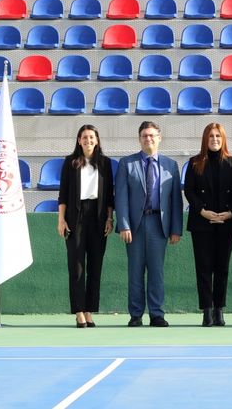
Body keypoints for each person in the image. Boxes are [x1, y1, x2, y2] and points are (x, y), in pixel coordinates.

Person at [114, 121, 183, 328]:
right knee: (135, 271)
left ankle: (156, 314)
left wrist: (175, 229)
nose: (148, 139)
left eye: (152, 135)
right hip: (135, 224)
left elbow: (175, 201)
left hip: (159, 224)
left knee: (156, 271)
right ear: (139, 139)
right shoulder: (127, 163)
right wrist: (124, 224)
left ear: (159, 137)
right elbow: (121, 197)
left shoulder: (171, 165)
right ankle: (135, 315)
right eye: (144, 135)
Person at [57, 125, 114, 328]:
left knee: (95, 267)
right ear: (79, 141)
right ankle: (79, 311)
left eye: (92, 137)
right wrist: (61, 220)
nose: (88, 140)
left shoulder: (105, 163)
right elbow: (63, 193)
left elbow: (109, 196)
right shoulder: (70, 162)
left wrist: (109, 219)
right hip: (75, 217)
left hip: (98, 218)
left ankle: (90, 310)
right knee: (77, 267)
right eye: (84, 137)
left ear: (97, 140)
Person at [184, 122, 232, 327]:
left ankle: (219, 310)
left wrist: (230, 213)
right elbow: (189, 190)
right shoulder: (194, 163)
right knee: (204, 268)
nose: (214, 140)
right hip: (202, 223)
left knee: (222, 268)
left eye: (218, 136)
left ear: (223, 139)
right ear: (205, 139)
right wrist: (202, 211)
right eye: (211, 137)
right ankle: (207, 310)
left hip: (226, 222)